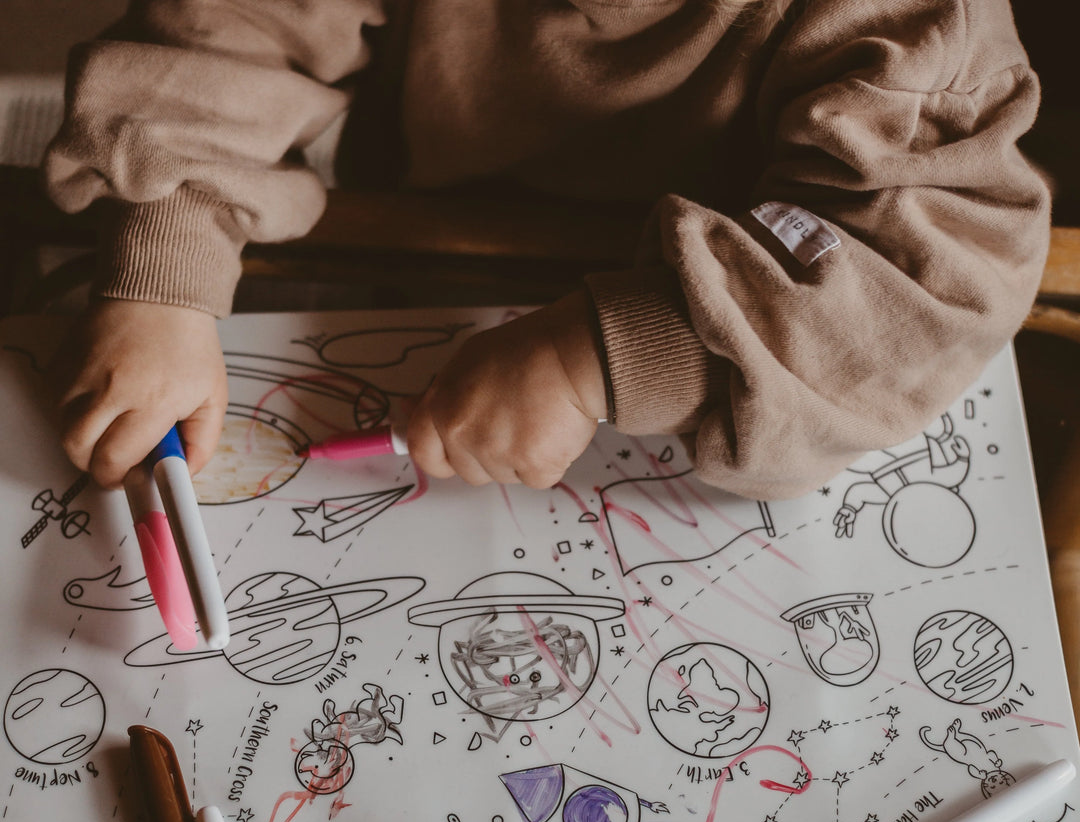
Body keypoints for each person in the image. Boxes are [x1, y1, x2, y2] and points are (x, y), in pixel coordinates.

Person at [43, 0, 1050, 501]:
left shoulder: (922, 22)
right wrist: (163, 265)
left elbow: (923, 284)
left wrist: (606, 357)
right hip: (431, 242)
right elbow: (230, 26)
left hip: (728, 323)